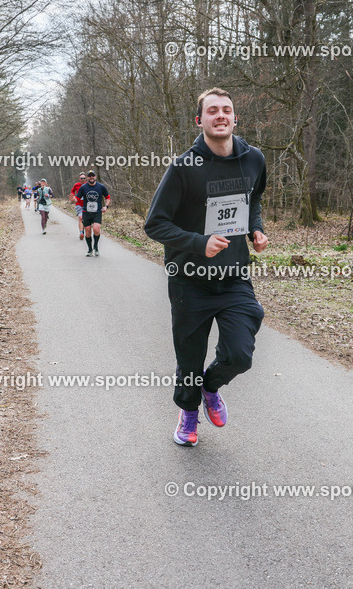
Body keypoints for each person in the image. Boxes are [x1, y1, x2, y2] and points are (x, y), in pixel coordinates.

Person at [144, 87, 268, 447]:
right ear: (200, 121)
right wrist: (200, 243)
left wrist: (256, 228)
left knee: (240, 355)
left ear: (235, 118)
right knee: (189, 358)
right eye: (212, 111)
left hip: (234, 277)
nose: (220, 116)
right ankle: (188, 412)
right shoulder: (184, 167)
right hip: (189, 280)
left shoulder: (254, 159)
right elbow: (155, 224)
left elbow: (254, 199)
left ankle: (210, 387)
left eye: (226, 110)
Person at [74, 171, 110, 257]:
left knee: (96, 230)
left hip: (97, 212)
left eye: (92, 176)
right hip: (86, 212)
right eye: (89, 176)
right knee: (87, 232)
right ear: (87, 177)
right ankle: (90, 249)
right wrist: (73, 199)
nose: (91, 177)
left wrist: (106, 206)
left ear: (95, 177)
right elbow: (77, 199)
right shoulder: (83, 187)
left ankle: (96, 246)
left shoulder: (101, 187)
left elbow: (108, 197)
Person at [69, 172, 87, 240]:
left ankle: (85, 231)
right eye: (81, 178)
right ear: (79, 179)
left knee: (86, 220)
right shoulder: (76, 185)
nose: (83, 179)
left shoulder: (88, 185)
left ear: (86, 179)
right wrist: (73, 196)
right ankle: (81, 233)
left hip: (87, 205)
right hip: (79, 204)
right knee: (80, 217)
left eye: (84, 178)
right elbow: (72, 191)